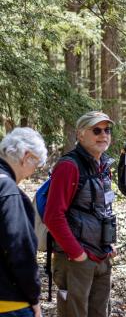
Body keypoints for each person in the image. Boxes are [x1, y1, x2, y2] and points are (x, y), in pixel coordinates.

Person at [44, 111, 116, 317]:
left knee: (100, 312)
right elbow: (53, 216)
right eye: (96, 130)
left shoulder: (103, 166)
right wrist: (77, 253)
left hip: (102, 255)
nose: (103, 135)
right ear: (80, 134)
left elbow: (104, 210)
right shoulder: (68, 166)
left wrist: (109, 243)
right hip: (75, 259)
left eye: (107, 130)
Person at [0, 128, 47, 317]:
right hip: (8, 303)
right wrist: (34, 298)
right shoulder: (7, 189)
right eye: (37, 164)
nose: (32, 172)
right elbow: (20, 247)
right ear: (27, 156)